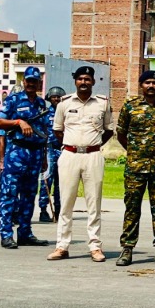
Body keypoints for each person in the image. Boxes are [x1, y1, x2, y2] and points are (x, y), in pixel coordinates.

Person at [47, 66, 114, 262]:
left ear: (93, 82)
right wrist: (73, 145)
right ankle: (62, 246)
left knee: (94, 203)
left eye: (87, 79)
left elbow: (108, 129)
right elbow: (58, 131)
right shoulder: (64, 103)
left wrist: (94, 144)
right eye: (80, 79)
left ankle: (95, 246)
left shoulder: (102, 104)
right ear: (75, 81)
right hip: (69, 155)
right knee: (66, 202)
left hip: (93, 156)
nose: (83, 82)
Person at [115, 69, 155, 266]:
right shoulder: (130, 107)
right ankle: (127, 249)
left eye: (154, 83)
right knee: (132, 209)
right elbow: (121, 134)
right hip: (135, 167)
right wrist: (136, 152)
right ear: (141, 85)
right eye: (147, 83)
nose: (151, 86)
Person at [0, 68, 53, 248]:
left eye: (34, 81)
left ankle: (25, 233)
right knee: (9, 194)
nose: (31, 83)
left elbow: (44, 133)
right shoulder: (13, 100)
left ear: (39, 83)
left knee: (29, 196)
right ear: (24, 81)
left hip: (35, 154)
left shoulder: (42, 104)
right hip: (16, 153)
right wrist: (18, 122)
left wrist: (44, 158)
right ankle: (6, 234)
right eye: (28, 80)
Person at [38, 85, 66, 223]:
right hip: (48, 149)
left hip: (62, 148)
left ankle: (59, 209)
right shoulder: (44, 114)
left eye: (58, 97)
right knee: (47, 181)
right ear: (49, 98)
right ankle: (43, 210)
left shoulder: (67, 113)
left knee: (61, 182)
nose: (56, 99)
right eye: (53, 97)